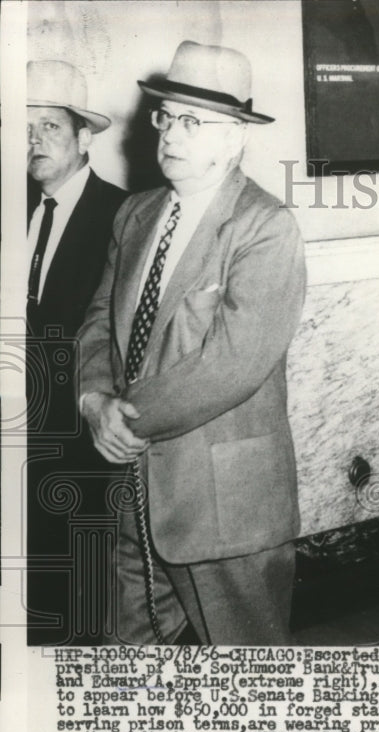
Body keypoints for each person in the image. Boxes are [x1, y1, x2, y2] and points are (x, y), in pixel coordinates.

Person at [77, 41, 307, 645]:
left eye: (192, 122)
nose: (171, 135)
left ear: (233, 138)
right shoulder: (136, 213)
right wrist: (92, 401)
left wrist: (124, 418)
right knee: (129, 665)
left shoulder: (264, 226)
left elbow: (233, 364)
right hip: (131, 486)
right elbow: (99, 318)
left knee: (251, 685)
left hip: (222, 503)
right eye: (166, 117)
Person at [26, 59, 128, 645]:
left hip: (84, 450)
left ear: (84, 137)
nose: (34, 142)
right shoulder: (16, 211)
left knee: (86, 610)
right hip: (22, 442)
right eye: (24, 129)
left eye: (50, 127)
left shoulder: (122, 215)